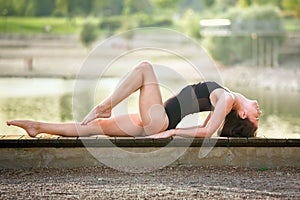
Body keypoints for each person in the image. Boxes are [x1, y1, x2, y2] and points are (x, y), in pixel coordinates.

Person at [7, 61, 262, 138]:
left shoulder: (227, 99)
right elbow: (208, 127)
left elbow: (206, 132)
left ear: (241, 115)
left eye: (255, 118)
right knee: (93, 128)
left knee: (144, 69)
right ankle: (37, 127)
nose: (258, 111)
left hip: (159, 121)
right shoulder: (225, 102)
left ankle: (105, 105)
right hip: (155, 120)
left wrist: (169, 134)